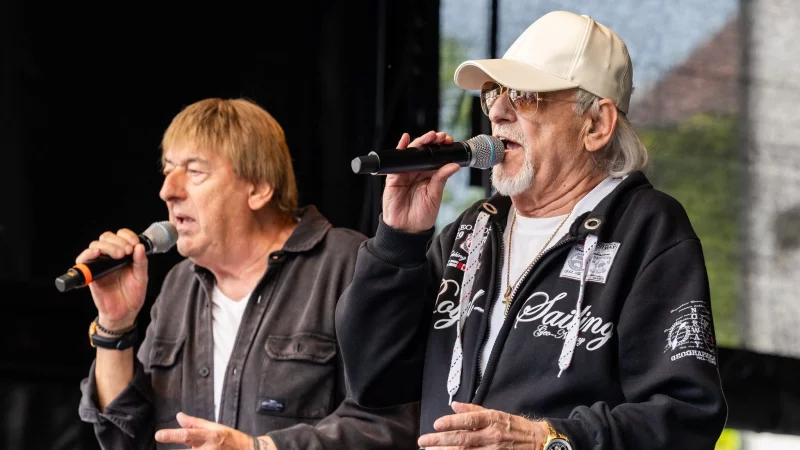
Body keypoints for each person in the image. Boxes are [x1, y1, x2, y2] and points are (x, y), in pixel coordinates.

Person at [336, 10, 727, 450]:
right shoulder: (472, 231)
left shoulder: (648, 231)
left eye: (524, 95)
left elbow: (686, 418)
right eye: (493, 94)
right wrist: (398, 242)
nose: (498, 112)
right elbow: (374, 380)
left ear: (596, 125)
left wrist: (552, 440)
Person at [77, 98, 418, 449]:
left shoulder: (346, 265)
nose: (168, 191)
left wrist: (260, 448)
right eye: (167, 171)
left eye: (194, 172)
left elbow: (387, 427)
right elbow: (125, 438)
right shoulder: (180, 283)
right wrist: (114, 325)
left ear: (258, 188)